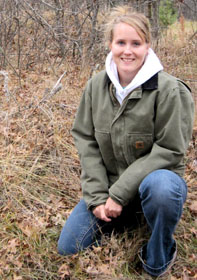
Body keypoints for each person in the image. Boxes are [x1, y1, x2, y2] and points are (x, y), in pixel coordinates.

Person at [58, 5, 194, 277]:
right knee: (68, 246)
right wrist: (98, 198)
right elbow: (86, 140)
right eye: (121, 42)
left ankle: (157, 257)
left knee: (162, 188)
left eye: (136, 43)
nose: (128, 51)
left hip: (156, 186)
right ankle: (127, 218)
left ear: (148, 46)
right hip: (109, 189)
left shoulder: (170, 90)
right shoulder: (95, 87)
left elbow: (170, 149)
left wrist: (120, 193)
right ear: (111, 44)